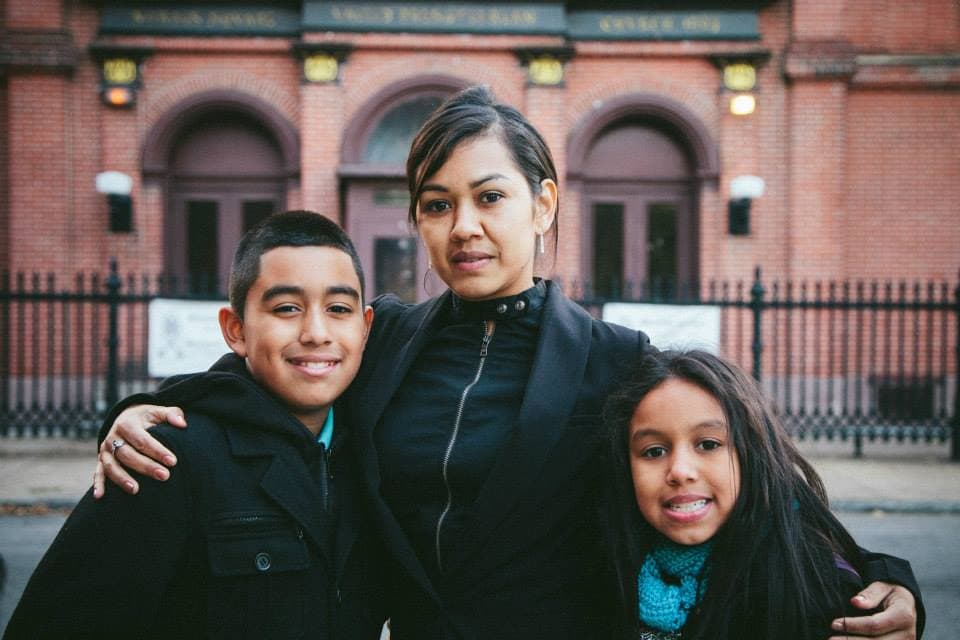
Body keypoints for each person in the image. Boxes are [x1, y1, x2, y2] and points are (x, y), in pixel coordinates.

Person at [92, 87, 922, 639]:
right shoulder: (383, 344)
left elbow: (754, 481)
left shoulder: (617, 361)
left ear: (543, 203)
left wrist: (888, 578)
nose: (464, 227)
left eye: (489, 197)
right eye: (437, 205)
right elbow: (256, 379)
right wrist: (137, 412)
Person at [5, 211, 383, 639]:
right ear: (236, 329)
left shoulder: (375, 451)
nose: (316, 332)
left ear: (365, 327)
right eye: (286, 308)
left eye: (338, 308)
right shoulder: (164, 458)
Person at [602, 349, 916, 639]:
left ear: (751, 453)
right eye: (654, 451)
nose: (681, 470)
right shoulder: (613, 559)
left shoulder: (802, 583)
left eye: (709, 444)